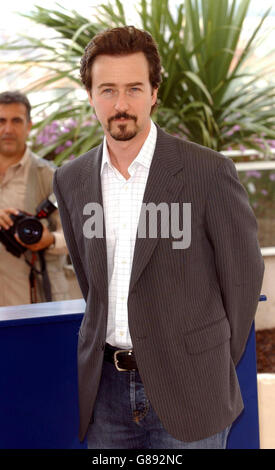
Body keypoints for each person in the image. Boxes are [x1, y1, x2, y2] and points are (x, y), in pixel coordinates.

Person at [53, 26, 264, 449]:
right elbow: (91, 282)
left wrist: (208, 359)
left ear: (154, 93)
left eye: (134, 88)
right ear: (91, 95)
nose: (121, 104)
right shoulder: (71, 179)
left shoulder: (207, 171)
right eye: (107, 90)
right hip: (105, 395)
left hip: (191, 389)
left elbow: (242, 279)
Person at [0, 91, 69, 305]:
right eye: (1, 121)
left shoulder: (49, 176)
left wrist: (49, 240)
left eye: (16, 121)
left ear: (29, 126)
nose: (8, 129)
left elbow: (77, 234)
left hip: (33, 305)